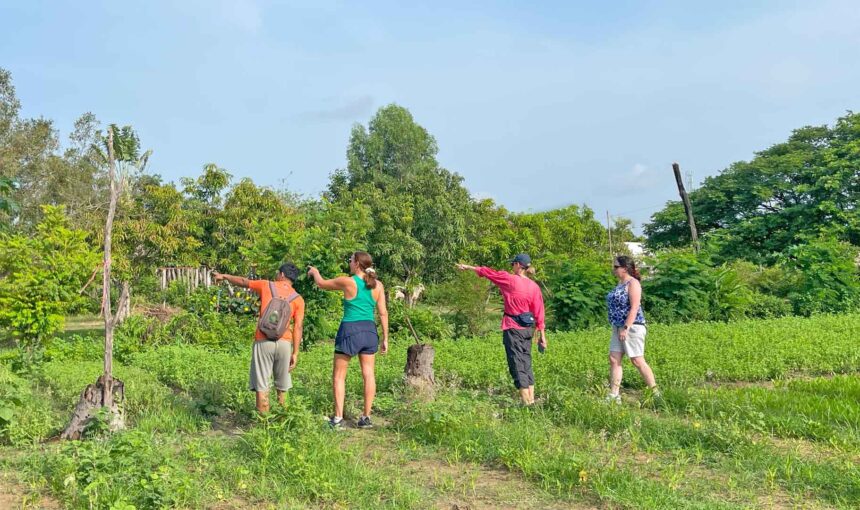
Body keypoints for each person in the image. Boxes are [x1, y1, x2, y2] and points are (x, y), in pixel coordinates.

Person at [307, 251, 389, 429]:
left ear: (357, 264)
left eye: (350, 260)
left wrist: (314, 272)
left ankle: (337, 419)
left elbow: (321, 284)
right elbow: (383, 313)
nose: (349, 263)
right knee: (368, 374)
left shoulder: (348, 281)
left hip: (350, 329)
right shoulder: (378, 285)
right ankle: (366, 417)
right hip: (369, 331)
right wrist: (385, 338)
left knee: (339, 376)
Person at [214, 263, 305, 414]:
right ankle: (284, 422)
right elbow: (298, 327)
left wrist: (225, 276)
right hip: (284, 343)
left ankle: (263, 426)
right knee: (283, 387)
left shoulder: (266, 285)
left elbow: (244, 282)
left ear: (282, 274)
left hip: (263, 341)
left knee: (262, 385)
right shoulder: (298, 299)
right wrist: (295, 353)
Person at [456, 254, 547, 405]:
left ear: (518, 265)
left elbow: (489, 272)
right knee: (526, 362)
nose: (512, 267)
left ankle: (527, 405)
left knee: (517, 364)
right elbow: (539, 312)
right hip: (528, 330)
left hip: (513, 328)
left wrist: (469, 267)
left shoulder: (510, 279)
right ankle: (531, 401)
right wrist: (542, 334)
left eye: (513, 264)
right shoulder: (534, 287)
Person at [606, 255, 659, 404]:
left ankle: (655, 392)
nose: (614, 269)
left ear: (625, 268)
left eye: (616, 267)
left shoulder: (633, 283)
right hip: (617, 326)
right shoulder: (619, 284)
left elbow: (634, 307)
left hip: (632, 326)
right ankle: (614, 395)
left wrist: (626, 327)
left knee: (637, 360)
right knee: (614, 359)